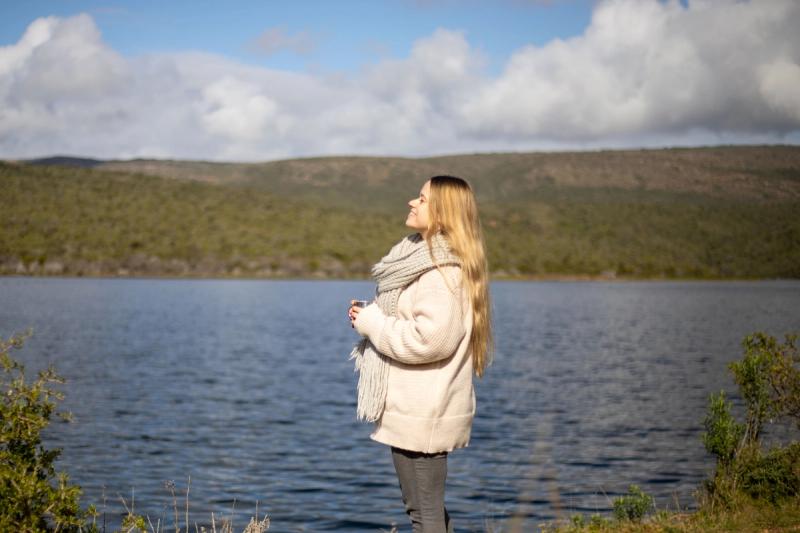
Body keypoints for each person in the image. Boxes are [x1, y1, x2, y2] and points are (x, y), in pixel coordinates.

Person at [348, 175, 493, 532]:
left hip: (424, 414)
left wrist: (373, 324)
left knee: (423, 514)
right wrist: (372, 316)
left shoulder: (440, 271)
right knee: (424, 511)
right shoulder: (422, 260)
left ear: (444, 213)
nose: (412, 202)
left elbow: (430, 341)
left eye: (423, 199)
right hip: (415, 411)